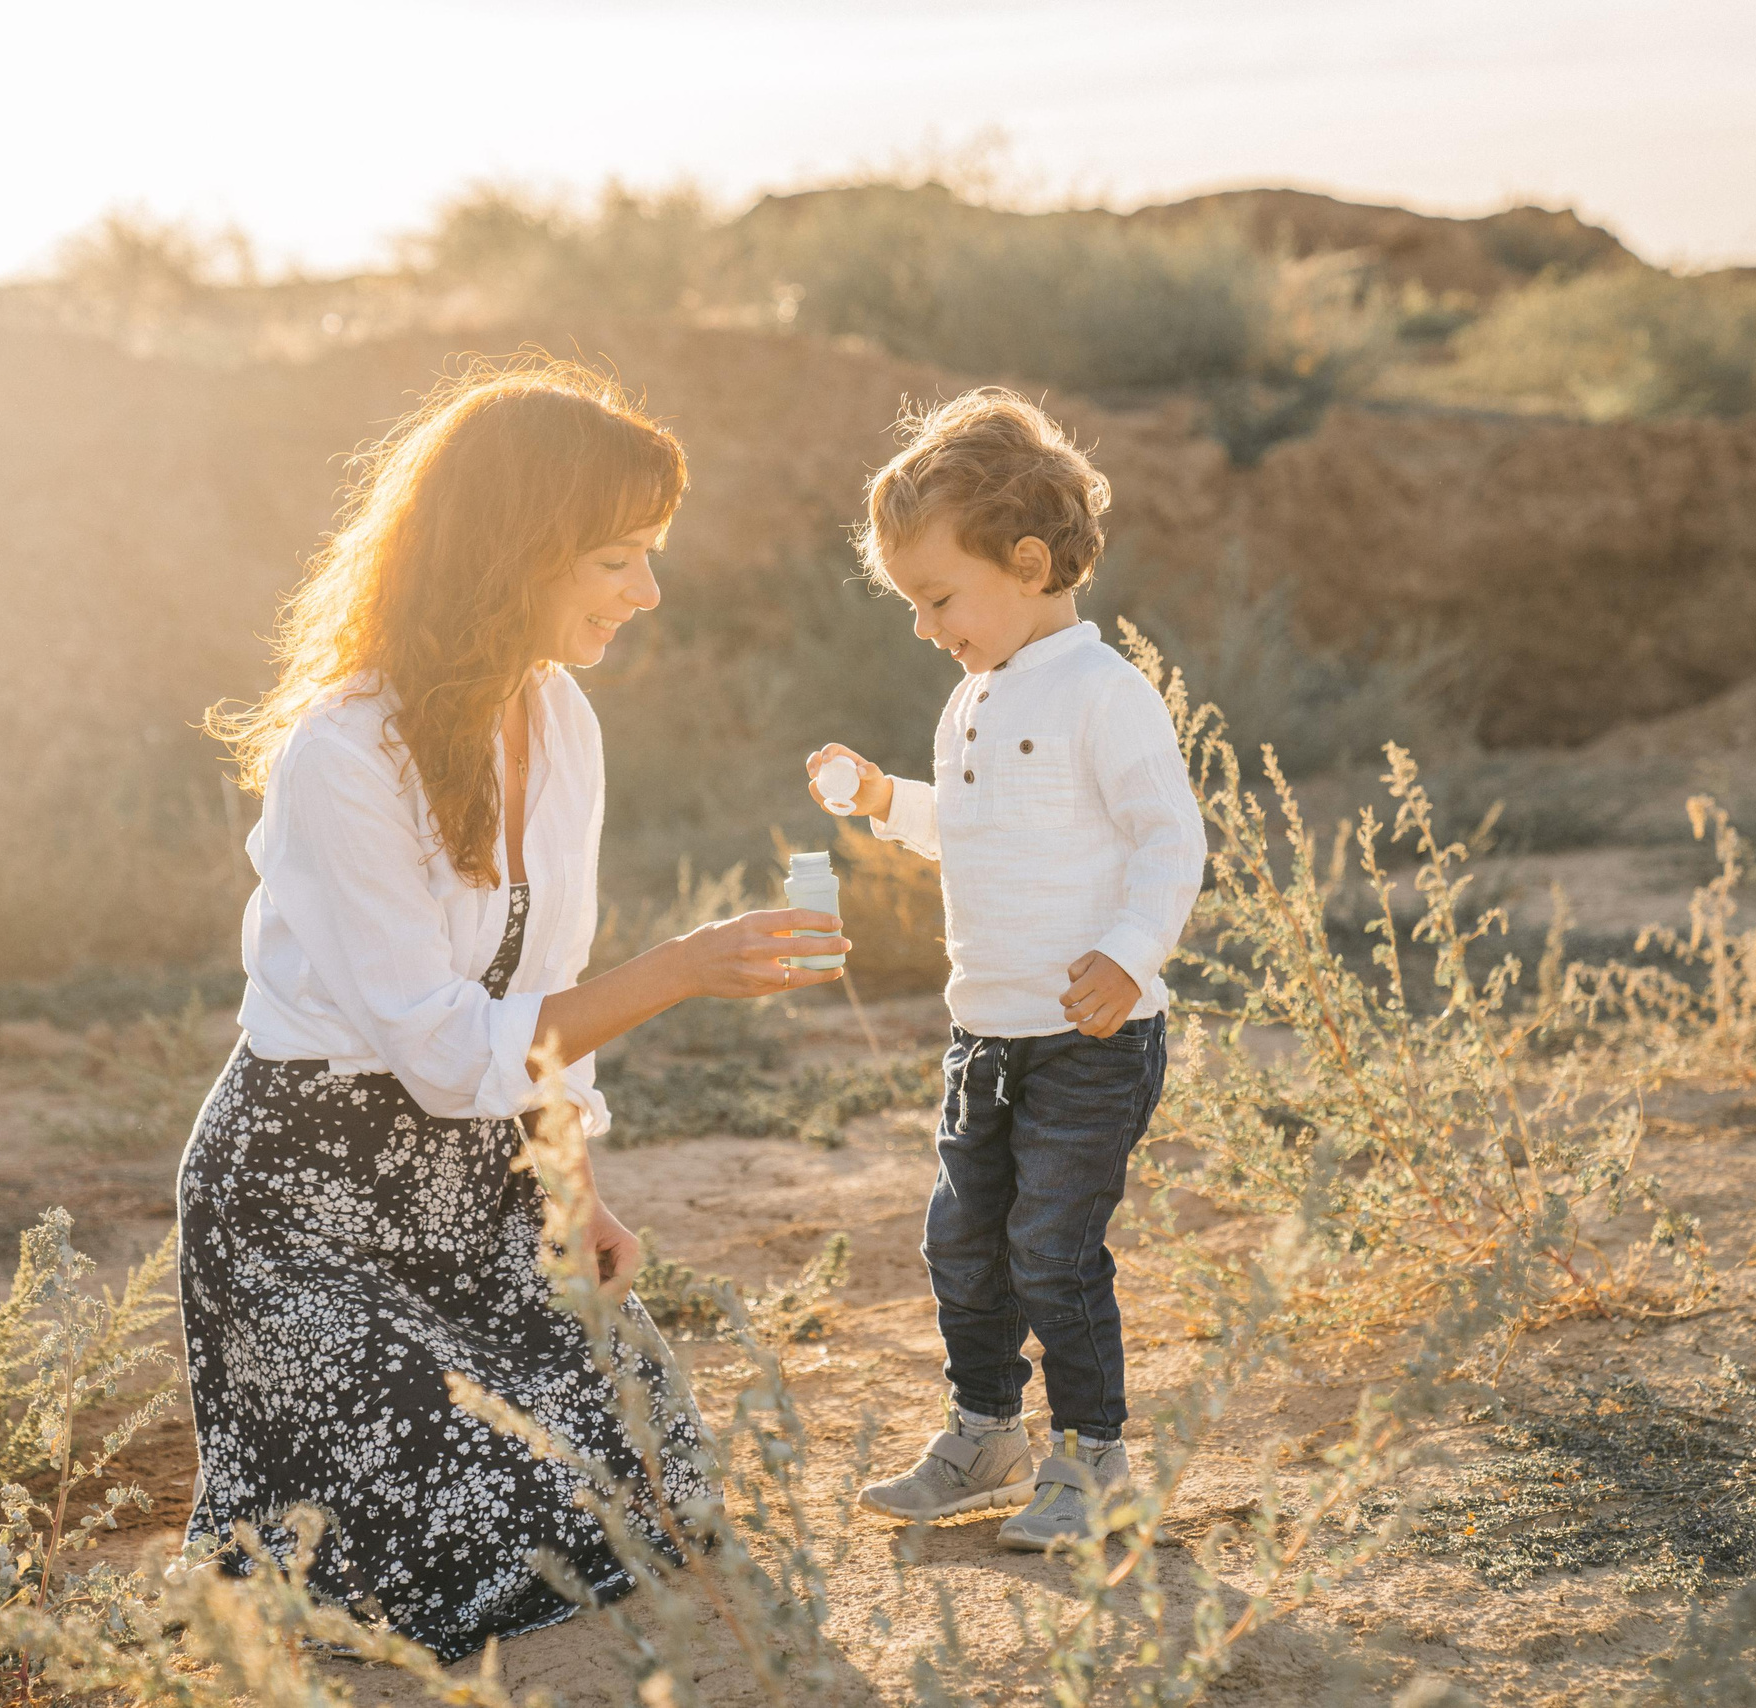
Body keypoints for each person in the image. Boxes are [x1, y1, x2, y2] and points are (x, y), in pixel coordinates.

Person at [184, 357, 849, 1658]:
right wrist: (681, 968)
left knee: (650, 1501)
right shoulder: (342, 752)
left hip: (481, 1176)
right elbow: (442, 1049)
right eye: (617, 559)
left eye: (650, 556)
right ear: (513, 552)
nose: (648, 593)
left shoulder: (561, 718)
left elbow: (539, 990)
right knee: (458, 1556)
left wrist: (573, 1190)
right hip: (305, 1197)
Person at [805, 388, 1205, 1552]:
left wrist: (1131, 960)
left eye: (938, 598)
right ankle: (986, 1430)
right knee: (962, 1241)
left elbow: (1168, 840)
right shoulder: (970, 696)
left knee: (1051, 1247)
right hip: (984, 1033)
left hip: (1089, 1038)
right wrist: (887, 802)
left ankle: (1094, 1458)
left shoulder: (1103, 692)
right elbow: (972, 826)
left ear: (1028, 562)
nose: (926, 627)